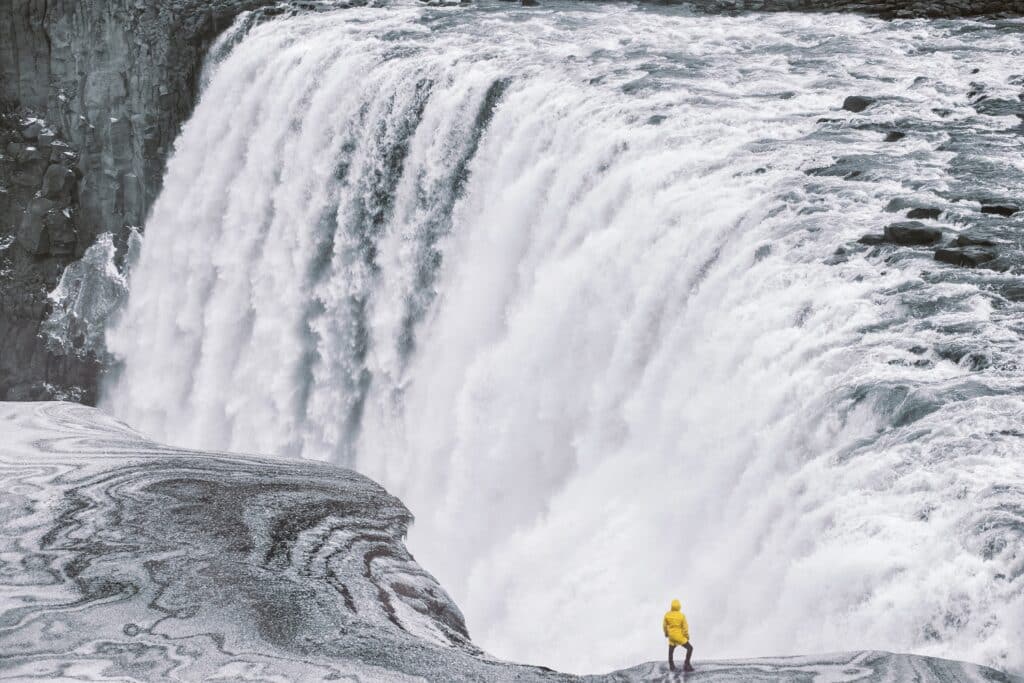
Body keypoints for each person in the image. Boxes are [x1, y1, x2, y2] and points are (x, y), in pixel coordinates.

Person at [662, 599, 694, 672]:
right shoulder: (682, 616)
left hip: (671, 636)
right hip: (680, 636)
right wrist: (687, 636)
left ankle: (671, 665)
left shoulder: (667, 614)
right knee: (690, 648)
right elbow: (685, 628)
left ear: (671, 606)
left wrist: (666, 634)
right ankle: (686, 664)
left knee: (671, 649)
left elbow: (664, 626)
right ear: (679, 606)